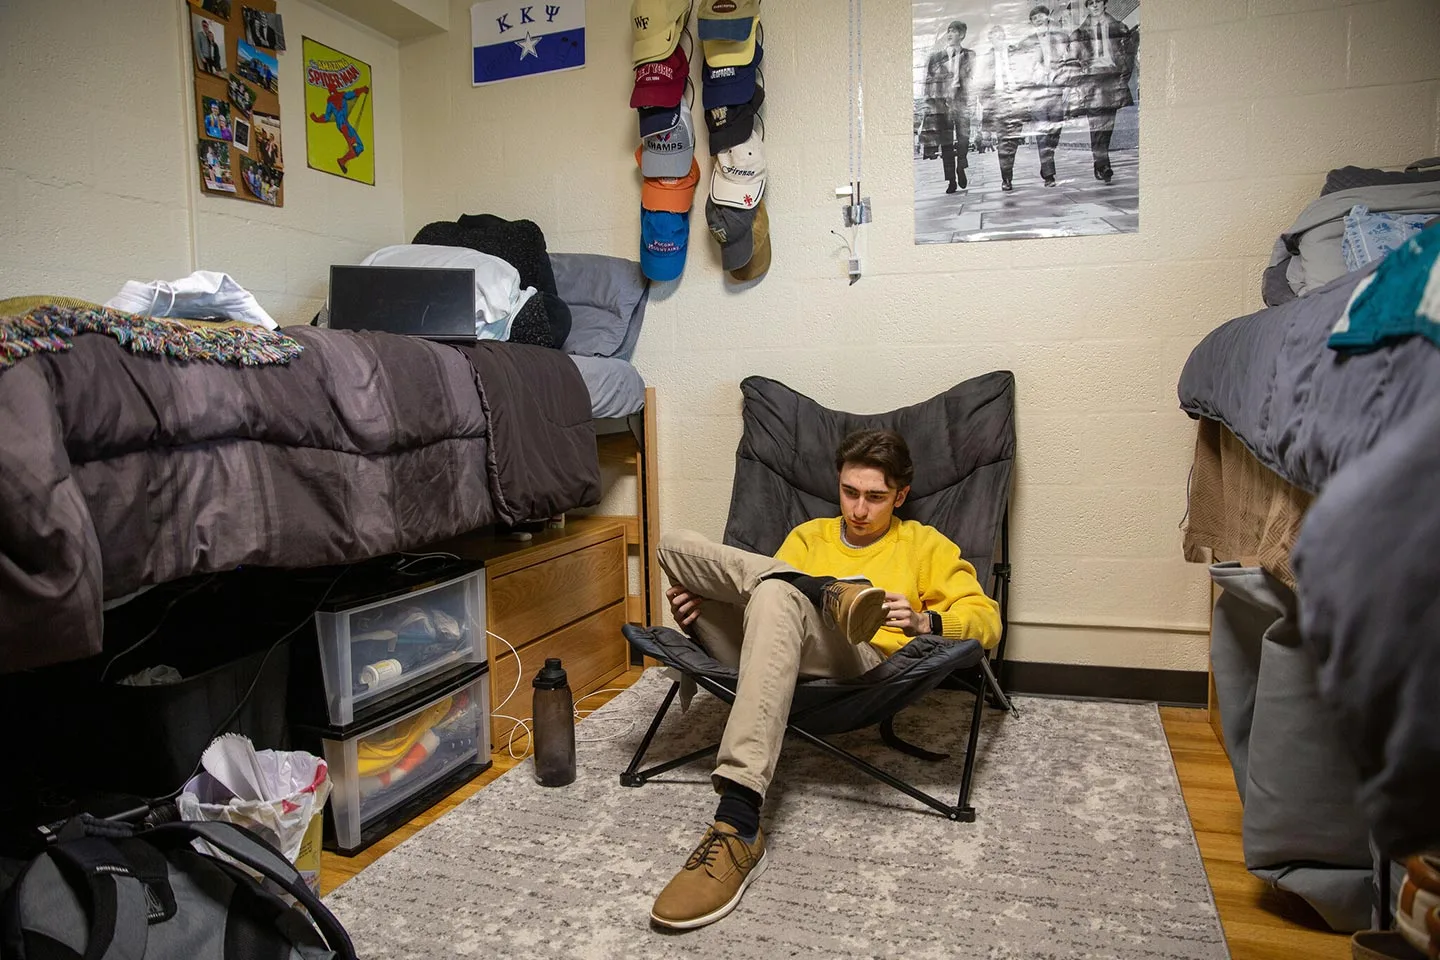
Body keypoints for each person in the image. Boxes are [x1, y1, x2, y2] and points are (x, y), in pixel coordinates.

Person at [649, 429, 1001, 930]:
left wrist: (926, 622)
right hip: (776, 646)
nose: (859, 509)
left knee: (775, 593)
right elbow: (761, 617)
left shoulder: (923, 546)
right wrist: (703, 615)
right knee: (676, 545)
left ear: (900, 496)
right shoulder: (808, 536)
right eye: (849, 492)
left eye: (876, 497)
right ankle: (826, 590)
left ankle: (739, 821)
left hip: (861, 662)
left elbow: (988, 621)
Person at [1070, 0, 1136, 184]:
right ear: (1087, 6)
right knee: (1097, 125)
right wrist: (1080, 82)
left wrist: (1123, 79)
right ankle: (1103, 165)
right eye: (1091, 3)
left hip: (1112, 78)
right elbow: (1072, 62)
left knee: (1107, 125)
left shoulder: (1119, 28)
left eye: (1098, 1)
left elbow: (1128, 56)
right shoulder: (1079, 34)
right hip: (1091, 80)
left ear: (1104, 3)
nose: (1095, 5)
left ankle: (1101, 163)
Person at [1006, 5, 1071, 188]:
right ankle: (1049, 175)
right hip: (1037, 93)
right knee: (1043, 132)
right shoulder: (1026, 42)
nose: (1038, 20)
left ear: (1048, 17)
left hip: (1056, 89)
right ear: (1032, 23)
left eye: (1041, 16)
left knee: (1056, 127)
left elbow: (1068, 60)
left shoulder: (1060, 37)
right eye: (1034, 18)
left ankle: (1046, 162)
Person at [919, 21, 975, 195]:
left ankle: (961, 165)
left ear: (962, 35)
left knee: (964, 137)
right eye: (948, 31)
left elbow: (973, 77)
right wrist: (929, 103)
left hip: (961, 100)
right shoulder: (935, 57)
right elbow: (928, 81)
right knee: (946, 143)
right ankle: (951, 180)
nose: (950, 34)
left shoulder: (970, 55)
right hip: (941, 103)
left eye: (954, 31)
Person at [310, 78, 370, 174]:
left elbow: (353, 93)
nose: (333, 92)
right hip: (343, 125)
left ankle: (342, 161)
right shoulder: (332, 103)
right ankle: (343, 160)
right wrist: (316, 119)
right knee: (358, 146)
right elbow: (326, 116)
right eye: (332, 90)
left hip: (345, 124)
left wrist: (362, 89)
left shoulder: (342, 96)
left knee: (359, 146)